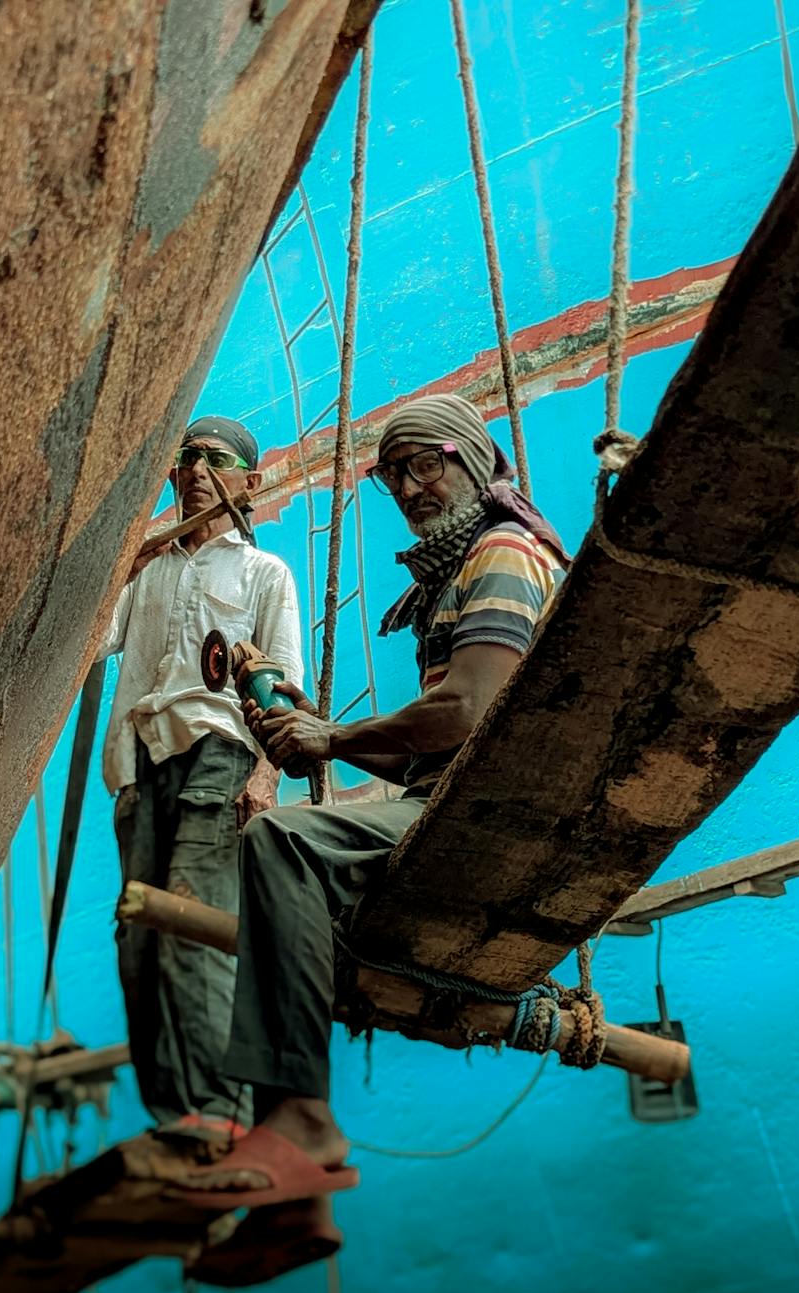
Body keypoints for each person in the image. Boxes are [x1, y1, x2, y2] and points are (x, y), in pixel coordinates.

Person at [174, 393, 570, 1236]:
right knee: (290, 893)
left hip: (494, 818)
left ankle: (303, 1121)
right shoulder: (455, 578)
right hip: (449, 801)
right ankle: (298, 1198)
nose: (412, 486)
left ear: (472, 458)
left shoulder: (503, 550)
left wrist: (333, 733)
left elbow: (468, 713)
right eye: (395, 474)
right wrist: (322, 735)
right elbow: (422, 749)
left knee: (281, 839)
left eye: (427, 463)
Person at [97, 415, 303, 1145]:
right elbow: (93, 642)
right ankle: (175, 1115)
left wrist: (267, 777)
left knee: (190, 926)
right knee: (138, 943)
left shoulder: (263, 573)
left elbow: (285, 691)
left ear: (248, 480)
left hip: (218, 762)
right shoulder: (146, 571)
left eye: (214, 459)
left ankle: (220, 1111)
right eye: (184, 458)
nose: (194, 470)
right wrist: (120, 561)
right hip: (139, 765)